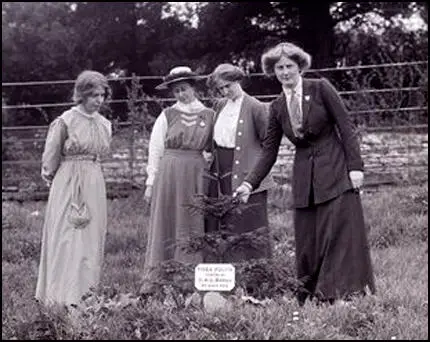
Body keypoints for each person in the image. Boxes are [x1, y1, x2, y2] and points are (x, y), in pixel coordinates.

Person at [235, 42, 376, 305]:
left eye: (289, 66)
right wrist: (248, 184)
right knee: (308, 239)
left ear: (300, 66)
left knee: (338, 233)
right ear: (272, 71)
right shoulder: (276, 106)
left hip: (335, 170)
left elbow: (346, 128)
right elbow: (268, 151)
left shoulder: (320, 88)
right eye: (279, 68)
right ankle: (311, 290)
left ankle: (340, 293)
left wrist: (355, 168)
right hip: (304, 178)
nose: (285, 72)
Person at [35, 70, 112, 306]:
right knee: (66, 236)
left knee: (90, 237)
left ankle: (85, 296)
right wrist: (55, 179)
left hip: (94, 180)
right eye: (93, 95)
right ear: (81, 95)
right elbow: (50, 158)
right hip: (68, 179)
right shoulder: (66, 120)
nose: (98, 100)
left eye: (102, 95)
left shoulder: (104, 123)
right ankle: (59, 296)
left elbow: (101, 153)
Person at [142, 66, 215, 288]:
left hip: (196, 172)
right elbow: (155, 149)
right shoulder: (167, 115)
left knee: (192, 219)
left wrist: (207, 162)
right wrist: (150, 183)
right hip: (170, 172)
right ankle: (161, 276)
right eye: (176, 91)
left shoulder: (210, 115)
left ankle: (190, 278)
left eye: (184, 89)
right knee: (167, 218)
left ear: (193, 88)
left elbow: (213, 147)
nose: (181, 94)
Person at [205, 63, 276, 263]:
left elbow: (268, 146)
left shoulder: (256, 107)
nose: (225, 92)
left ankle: (257, 278)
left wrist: (254, 178)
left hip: (248, 174)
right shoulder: (219, 106)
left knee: (250, 225)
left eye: (228, 86)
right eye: (220, 89)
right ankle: (230, 276)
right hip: (221, 173)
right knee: (226, 224)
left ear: (237, 80)